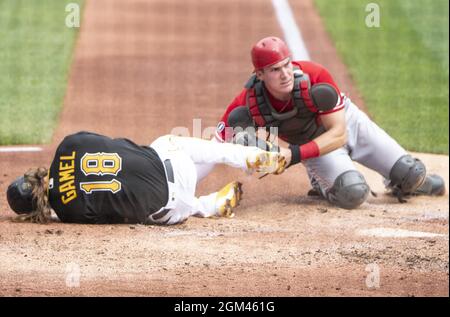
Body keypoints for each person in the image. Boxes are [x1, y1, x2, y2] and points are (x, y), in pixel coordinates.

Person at [213, 36, 445, 209]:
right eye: (275, 69)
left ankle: (408, 183)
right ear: (259, 74)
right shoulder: (248, 102)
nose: (285, 74)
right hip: (316, 146)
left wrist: (292, 155)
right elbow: (214, 144)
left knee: (411, 172)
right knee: (352, 192)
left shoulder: (315, 75)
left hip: (347, 123)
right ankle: (322, 181)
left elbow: (339, 134)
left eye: (287, 64)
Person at [6, 131, 286, 225]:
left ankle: (206, 206)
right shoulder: (69, 144)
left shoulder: (68, 212)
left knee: (144, 211)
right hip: (175, 161)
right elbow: (120, 144)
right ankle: (242, 154)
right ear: (33, 175)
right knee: (163, 142)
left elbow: (121, 215)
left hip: (172, 208)